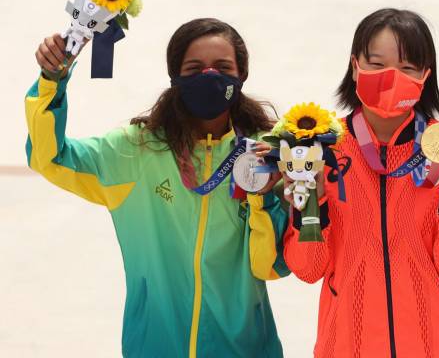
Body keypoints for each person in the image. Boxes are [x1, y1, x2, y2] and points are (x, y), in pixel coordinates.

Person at [26, 18, 289, 357]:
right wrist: (52, 82)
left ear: (242, 75)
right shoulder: (136, 151)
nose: (209, 77)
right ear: (175, 77)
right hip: (155, 346)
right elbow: (50, 158)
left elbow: (272, 265)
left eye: (222, 67)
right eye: (195, 69)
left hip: (245, 349)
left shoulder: (265, 154)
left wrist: (263, 197)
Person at [283, 8, 439, 357]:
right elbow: (307, 268)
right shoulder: (318, 149)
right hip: (346, 346)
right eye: (377, 65)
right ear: (354, 66)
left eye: (407, 68)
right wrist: (310, 202)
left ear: (425, 76)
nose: (391, 78)